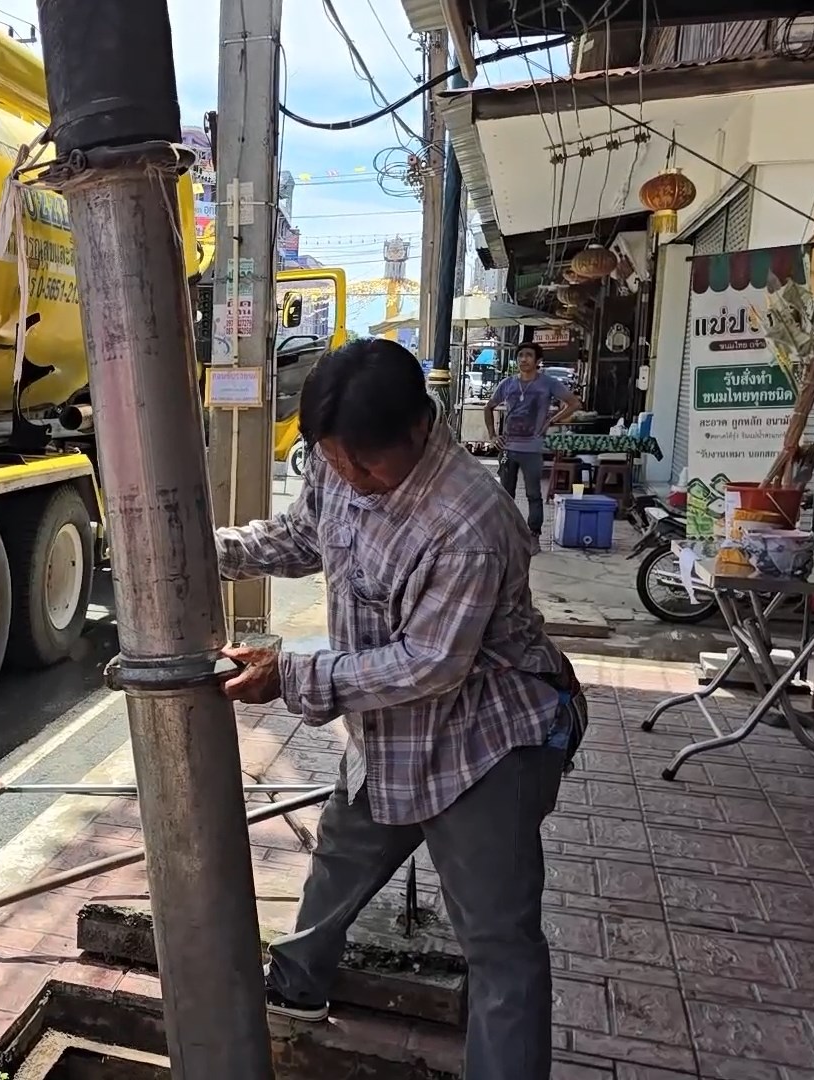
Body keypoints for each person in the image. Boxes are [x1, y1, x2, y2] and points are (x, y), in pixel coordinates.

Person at [216, 336, 584, 1080]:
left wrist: (292, 675)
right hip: (390, 733)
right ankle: (296, 988)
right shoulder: (338, 458)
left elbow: (430, 665)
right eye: (335, 460)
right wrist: (210, 547)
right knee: (342, 856)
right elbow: (299, 538)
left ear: (419, 427)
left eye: (366, 464)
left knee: (497, 942)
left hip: (487, 743)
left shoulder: (471, 521)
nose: (350, 478)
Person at [482, 343, 581, 538]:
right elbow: (488, 407)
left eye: (528, 355)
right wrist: (493, 436)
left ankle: (533, 533)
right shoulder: (507, 383)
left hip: (533, 449)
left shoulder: (548, 383)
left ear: (538, 361)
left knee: (533, 494)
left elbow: (574, 403)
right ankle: (507, 533)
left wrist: (552, 420)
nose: (523, 359)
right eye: (520, 356)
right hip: (508, 449)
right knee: (505, 494)